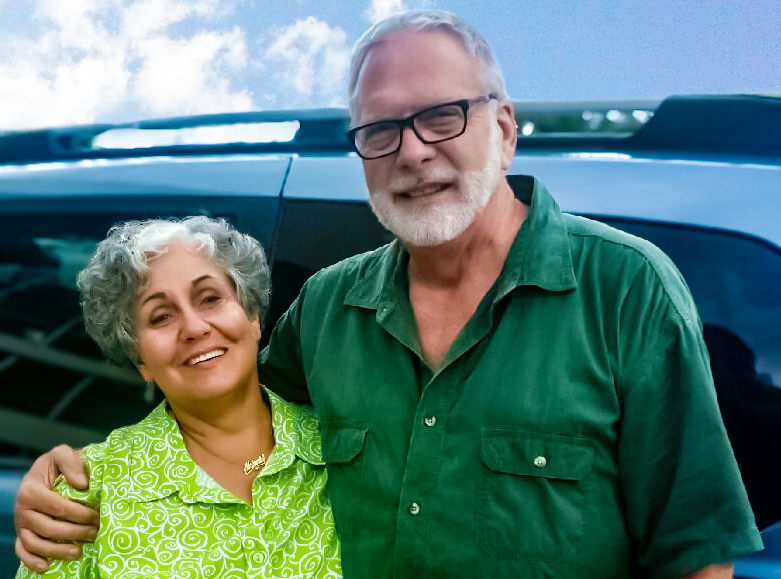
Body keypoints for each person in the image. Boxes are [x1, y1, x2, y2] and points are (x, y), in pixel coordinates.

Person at [15, 10, 761, 579]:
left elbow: (694, 556)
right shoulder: (327, 310)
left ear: (504, 128)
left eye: (440, 115)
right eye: (380, 129)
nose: (412, 151)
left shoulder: (626, 289)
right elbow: (220, 421)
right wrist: (63, 477)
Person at [14, 217, 341, 578]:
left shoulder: (342, 448)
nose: (194, 328)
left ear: (253, 318)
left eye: (210, 298)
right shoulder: (89, 491)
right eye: (160, 317)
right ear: (139, 359)